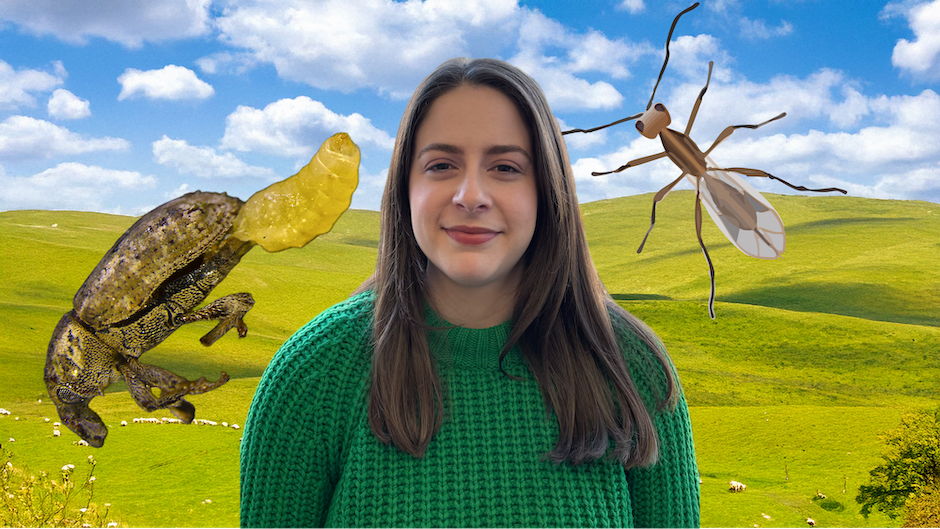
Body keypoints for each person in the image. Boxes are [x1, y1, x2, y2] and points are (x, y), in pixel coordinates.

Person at [240, 57, 700, 528]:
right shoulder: (314, 374)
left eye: (505, 167)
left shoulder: (632, 368)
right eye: (441, 165)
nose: (471, 195)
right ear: (404, 189)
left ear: (548, 191)